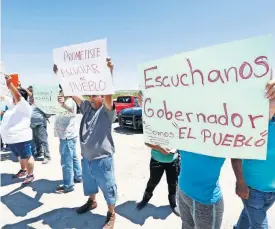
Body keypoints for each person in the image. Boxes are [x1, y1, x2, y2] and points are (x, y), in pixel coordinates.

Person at [53, 57, 117, 229]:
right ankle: (92, 202)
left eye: (95, 93)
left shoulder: (107, 111)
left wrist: (108, 71)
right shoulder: (87, 107)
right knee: (90, 184)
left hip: (103, 158)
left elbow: (109, 93)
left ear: (102, 97)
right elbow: (72, 91)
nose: (90, 95)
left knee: (108, 186)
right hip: (87, 158)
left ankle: (111, 213)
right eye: (90, 93)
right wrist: (60, 74)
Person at [232, 80, 275, 229]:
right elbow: (236, 150)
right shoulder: (251, 119)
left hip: (272, 190)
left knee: (247, 214)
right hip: (253, 189)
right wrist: (240, 182)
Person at [0, 74, 35, 184]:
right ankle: (23, 170)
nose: (11, 97)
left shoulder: (24, 105)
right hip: (11, 139)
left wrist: (10, 84)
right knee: (20, 156)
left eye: (13, 95)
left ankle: (30, 175)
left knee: (27, 156)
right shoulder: (12, 104)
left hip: (21, 138)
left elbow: (18, 96)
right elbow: (2, 96)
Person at [136, 143, 180, 216]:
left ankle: (173, 203)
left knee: (173, 183)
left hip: (173, 160)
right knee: (153, 181)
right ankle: (145, 199)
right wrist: (160, 148)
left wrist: (176, 148)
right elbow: (146, 142)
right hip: (156, 160)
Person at [54, 88, 82, 194]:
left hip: (67, 137)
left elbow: (71, 112)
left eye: (61, 91)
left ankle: (68, 185)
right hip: (68, 135)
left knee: (66, 162)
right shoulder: (63, 102)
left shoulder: (69, 102)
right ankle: (78, 176)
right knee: (73, 157)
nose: (60, 93)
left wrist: (62, 105)